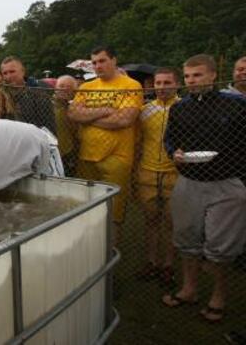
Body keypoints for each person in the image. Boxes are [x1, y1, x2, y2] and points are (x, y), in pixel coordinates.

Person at [161, 54, 246, 323]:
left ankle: (218, 297)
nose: (191, 81)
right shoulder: (179, 108)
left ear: (212, 75)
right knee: (187, 241)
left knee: (220, 248)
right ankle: (189, 289)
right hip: (189, 182)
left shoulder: (236, 105)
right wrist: (175, 152)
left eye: (197, 75)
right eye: (187, 76)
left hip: (227, 183)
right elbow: (170, 140)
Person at [67, 46, 143, 239]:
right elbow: (73, 113)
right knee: (87, 207)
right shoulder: (86, 87)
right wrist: (105, 110)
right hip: (86, 156)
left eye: (102, 61)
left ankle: (111, 250)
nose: (97, 66)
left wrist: (89, 117)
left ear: (114, 60)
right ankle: (91, 246)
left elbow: (124, 120)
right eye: (94, 62)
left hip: (117, 157)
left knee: (114, 211)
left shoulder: (130, 85)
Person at [135, 67, 180, 286]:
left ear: (176, 84)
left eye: (167, 83)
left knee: (171, 222)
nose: (162, 87)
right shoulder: (145, 110)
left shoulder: (182, 108)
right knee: (151, 220)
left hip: (175, 173)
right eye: (158, 83)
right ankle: (151, 262)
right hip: (148, 171)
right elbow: (138, 140)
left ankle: (168, 265)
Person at [0, 56, 56, 133]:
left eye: (12, 71)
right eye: (5, 73)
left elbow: (49, 124)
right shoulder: (2, 95)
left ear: (23, 72)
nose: (8, 76)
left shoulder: (39, 91)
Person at [53, 75, 79, 176]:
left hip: (67, 152)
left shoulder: (75, 108)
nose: (64, 89)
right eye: (61, 86)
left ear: (74, 91)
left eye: (68, 87)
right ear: (55, 88)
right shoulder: (47, 104)